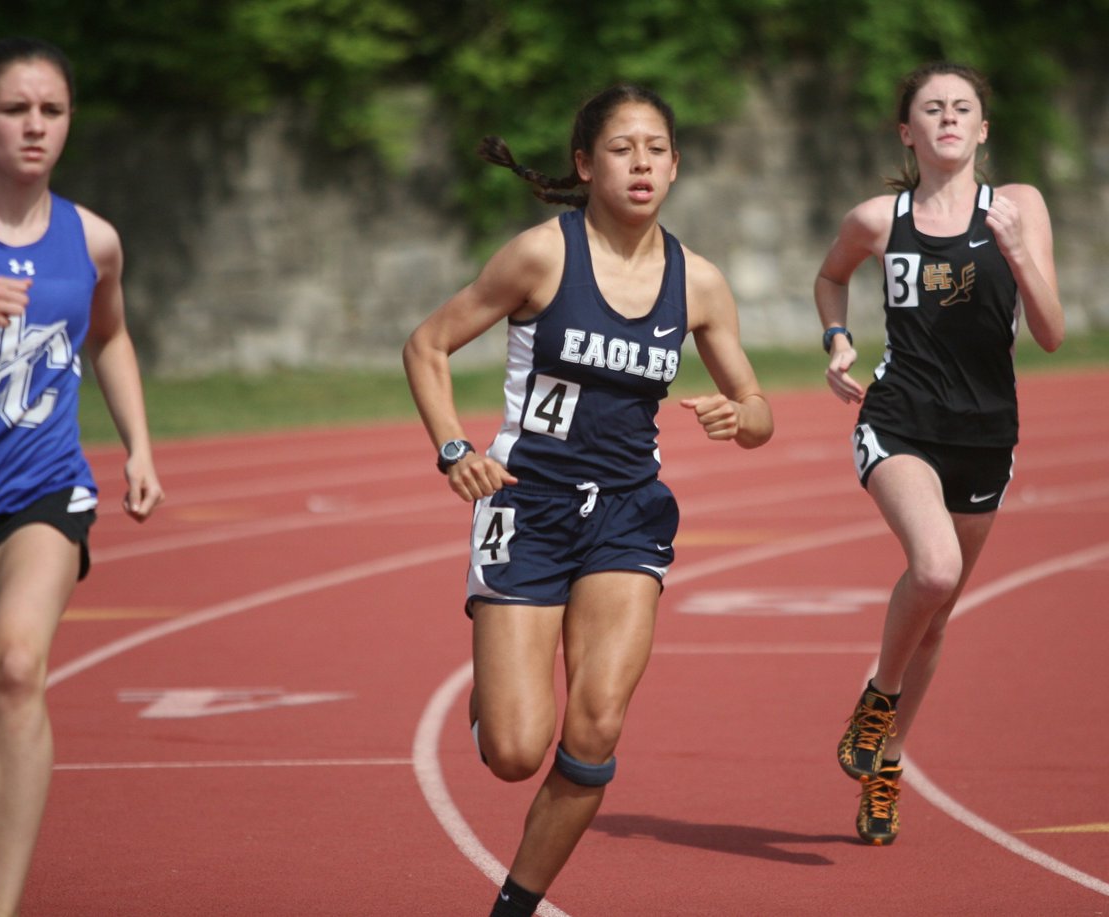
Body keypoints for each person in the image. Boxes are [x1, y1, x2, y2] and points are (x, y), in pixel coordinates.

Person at [403, 84, 773, 915]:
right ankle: (493, 696)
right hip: (528, 505)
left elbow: (760, 413)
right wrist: (454, 447)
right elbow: (426, 344)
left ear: (675, 167)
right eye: (620, 148)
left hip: (627, 515)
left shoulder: (699, 282)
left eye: (655, 150)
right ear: (584, 163)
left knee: (597, 724)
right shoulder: (541, 255)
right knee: (514, 749)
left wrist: (739, 415)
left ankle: (516, 904)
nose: (640, 163)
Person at [0, 37, 164, 916]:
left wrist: (137, 443)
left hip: (40, 490)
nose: (35, 127)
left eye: (51, 111)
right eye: (16, 109)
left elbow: (112, 336)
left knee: (17, 666)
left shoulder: (92, 238)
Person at [815, 61, 1064, 846]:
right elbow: (830, 277)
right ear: (908, 131)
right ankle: (877, 696)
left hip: (988, 433)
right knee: (933, 570)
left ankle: (886, 764)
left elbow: (1053, 333)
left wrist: (1019, 253)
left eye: (964, 108)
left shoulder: (1019, 206)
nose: (949, 118)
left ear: (983, 128)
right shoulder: (879, 220)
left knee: (937, 616)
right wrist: (837, 336)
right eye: (933, 108)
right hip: (900, 421)